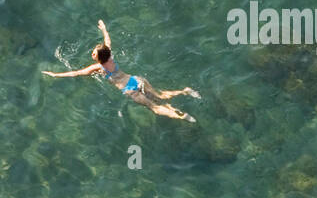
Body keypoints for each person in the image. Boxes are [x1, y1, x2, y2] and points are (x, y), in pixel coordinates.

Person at [42, 19, 199, 122]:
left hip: (130, 89)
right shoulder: (109, 55)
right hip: (136, 80)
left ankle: (180, 116)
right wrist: (104, 28)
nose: (92, 53)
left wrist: (55, 74)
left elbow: (75, 73)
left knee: (156, 109)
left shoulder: (97, 68)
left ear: (98, 58)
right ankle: (185, 91)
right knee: (161, 95)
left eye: (94, 53)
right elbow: (108, 41)